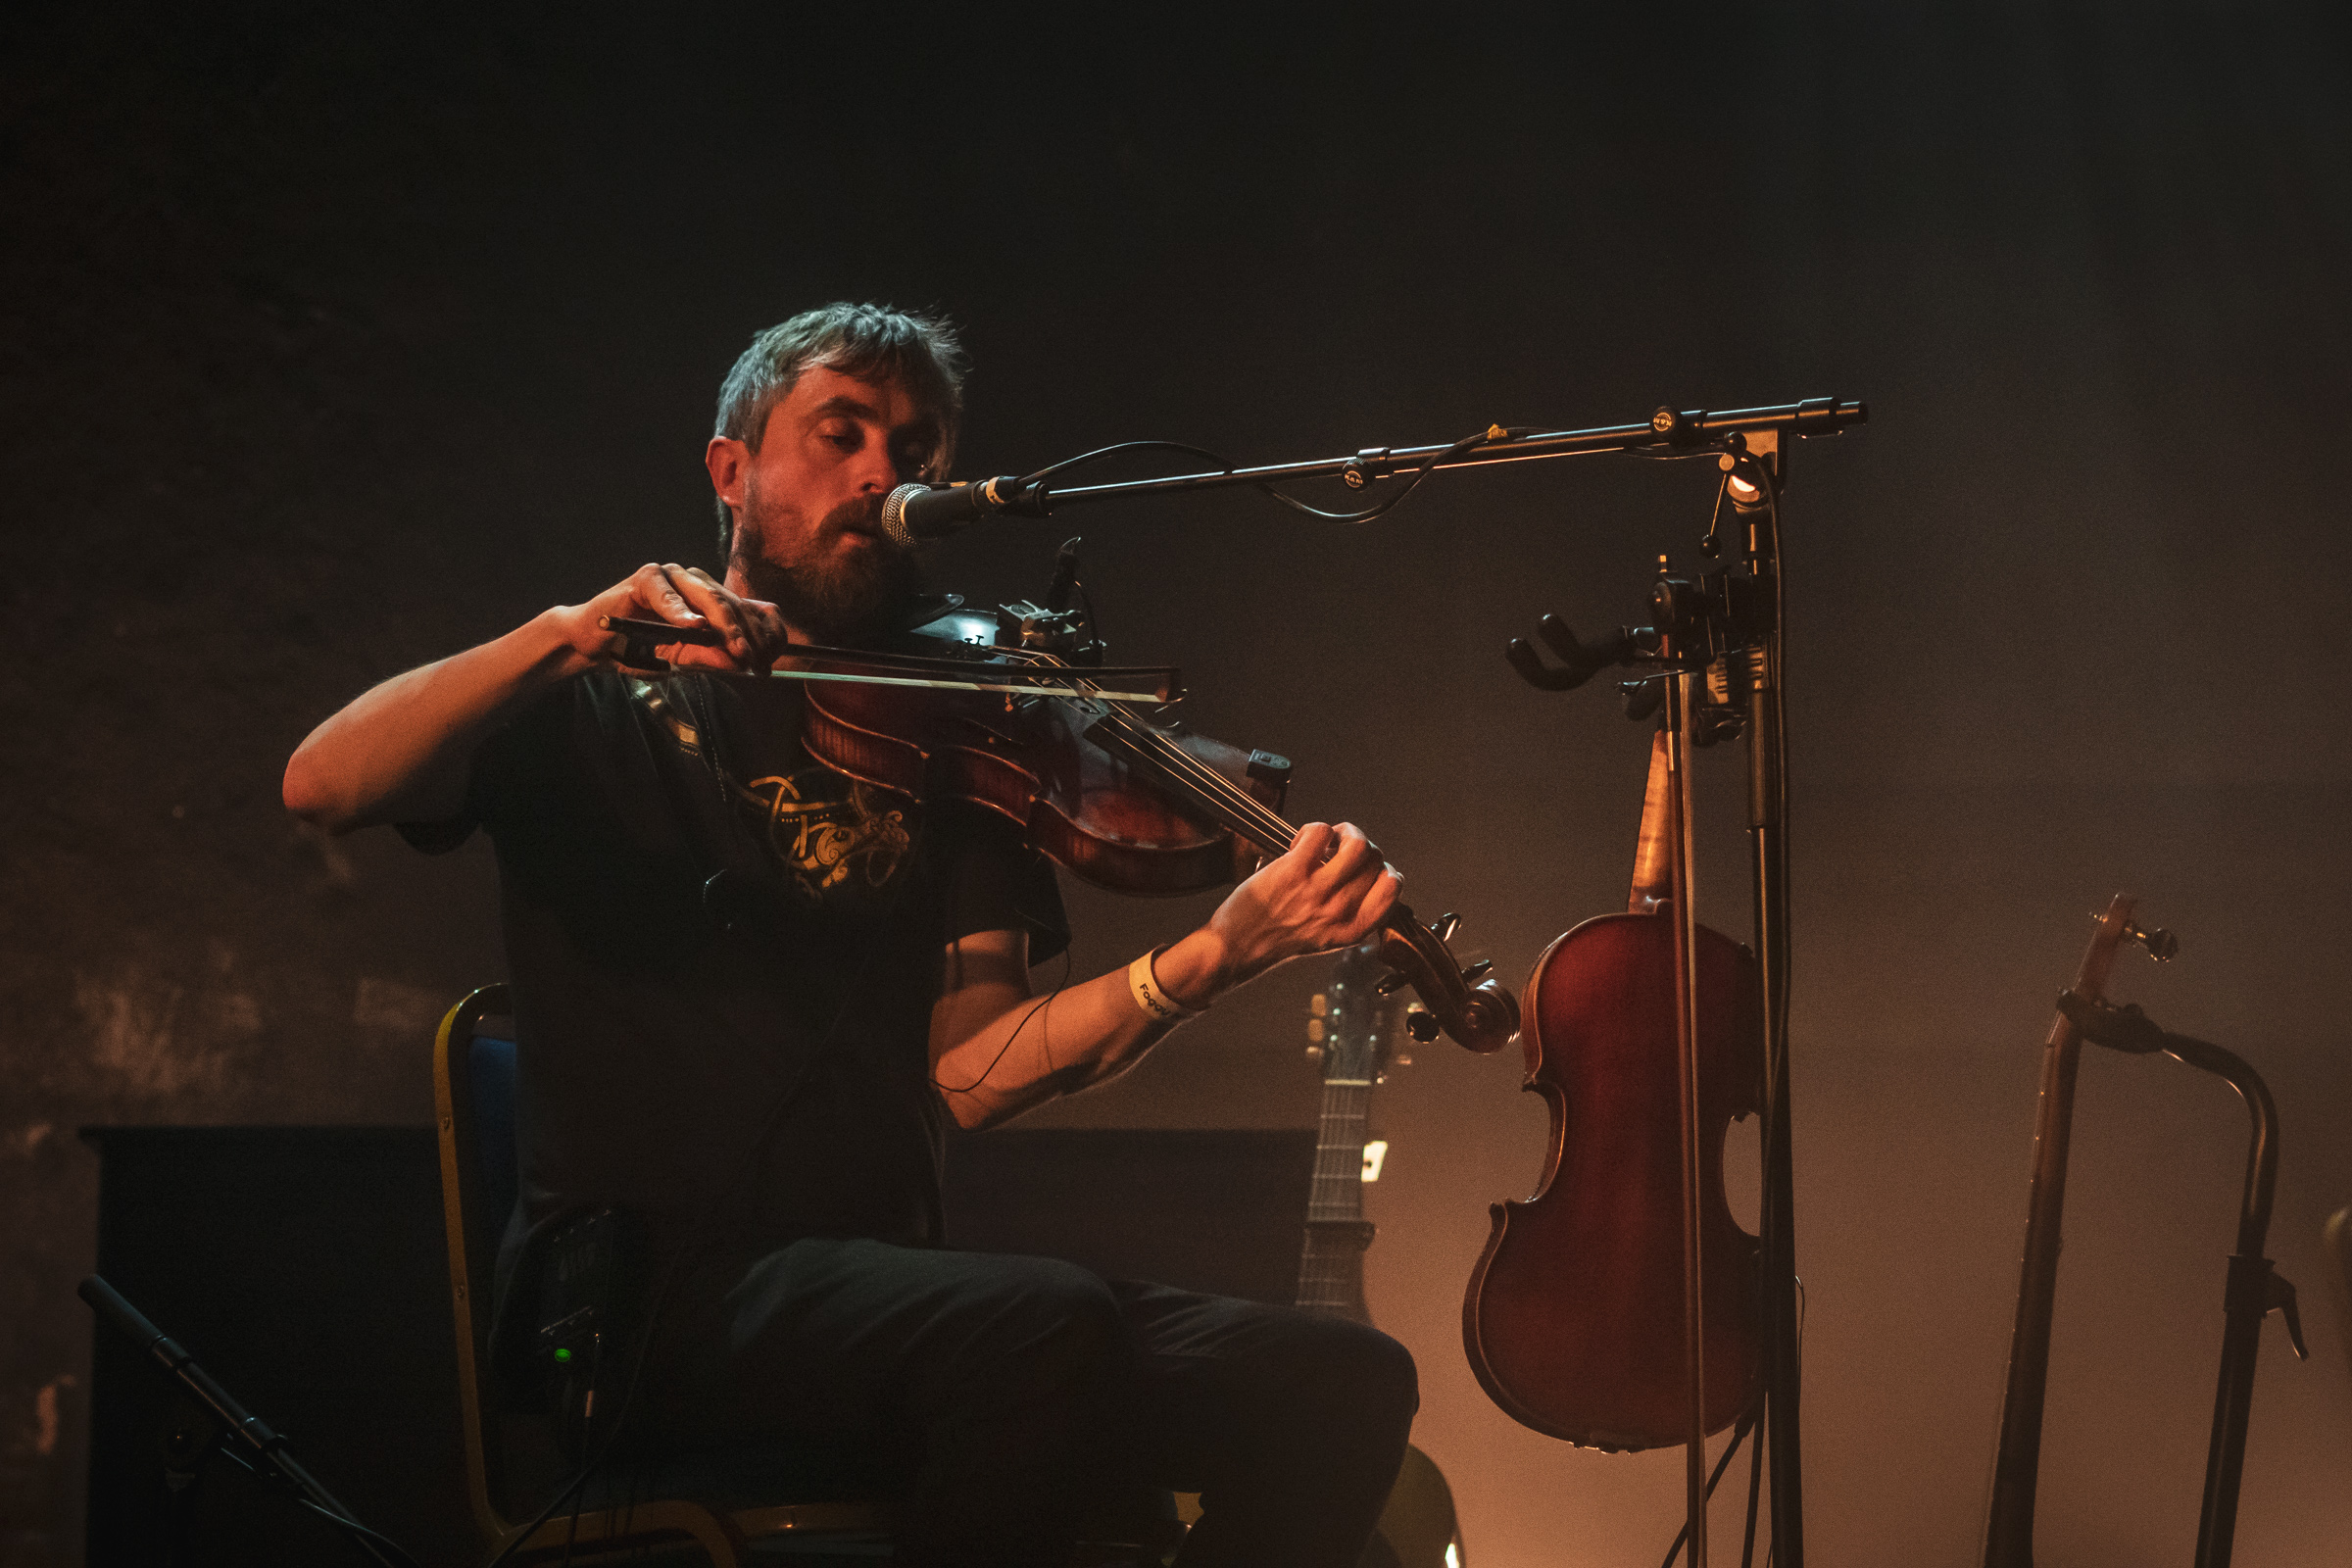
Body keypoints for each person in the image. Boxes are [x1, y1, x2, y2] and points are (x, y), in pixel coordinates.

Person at [283, 303, 1418, 1567]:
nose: (888, 473)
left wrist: (1217, 954)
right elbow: (322, 784)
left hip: (887, 1302)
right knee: (1040, 1327)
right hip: (647, 1309)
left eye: (918, 446)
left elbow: (976, 1071)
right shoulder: (597, 698)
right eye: (843, 432)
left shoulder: (958, 733)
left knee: (1338, 1379)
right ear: (732, 467)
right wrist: (562, 637)